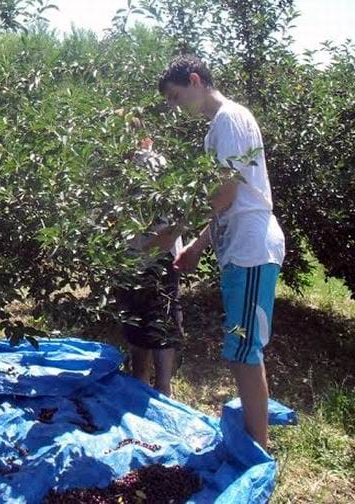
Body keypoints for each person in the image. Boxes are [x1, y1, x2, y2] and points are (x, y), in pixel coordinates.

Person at [160, 54, 285, 449]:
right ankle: (253, 442)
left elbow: (227, 192)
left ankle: (257, 452)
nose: (178, 109)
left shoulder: (229, 119)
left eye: (178, 97)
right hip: (237, 249)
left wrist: (177, 230)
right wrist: (197, 246)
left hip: (251, 249)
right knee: (238, 347)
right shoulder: (217, 127)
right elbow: (224, 201)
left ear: (195, 81)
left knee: (244, 350)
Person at [117, 130, 184, 397]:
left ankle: (152, 383)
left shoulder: (152, 164)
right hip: (138, 255)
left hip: (153, 254)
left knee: (151, 319)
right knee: (150, 319)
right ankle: (156, 384)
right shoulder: (123, 167)